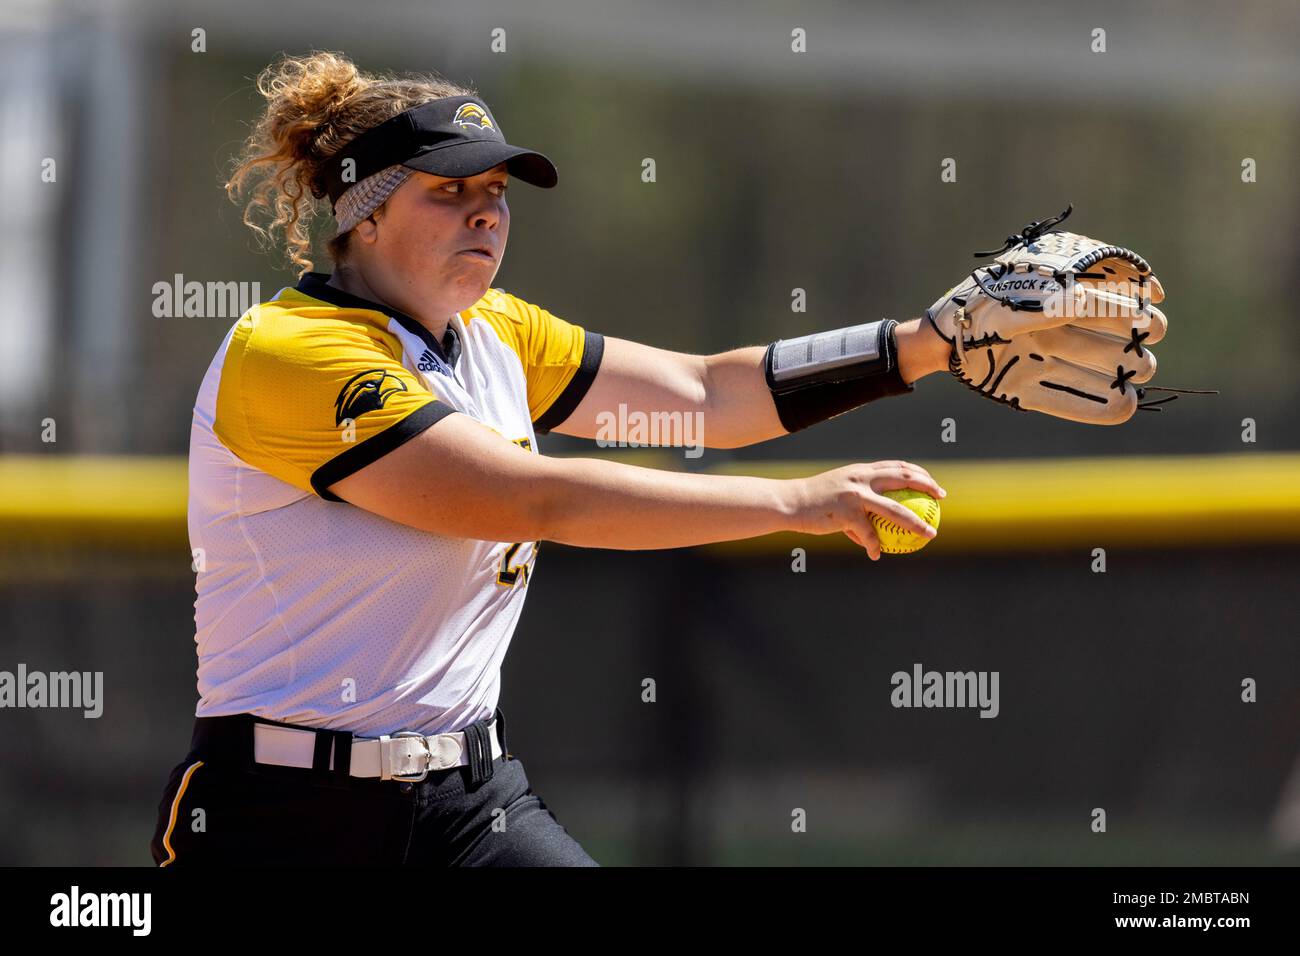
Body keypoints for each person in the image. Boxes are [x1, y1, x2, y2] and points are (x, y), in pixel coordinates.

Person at [148, 51, 951, 868]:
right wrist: (796, 504)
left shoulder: (496, 332)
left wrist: (927, 344)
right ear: (367, 215)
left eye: (496, 193)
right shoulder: (289, 353)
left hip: (470, 804)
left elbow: (707, 395)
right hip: (284, 816)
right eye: (449, 191)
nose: (487, 214)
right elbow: (531, 500)